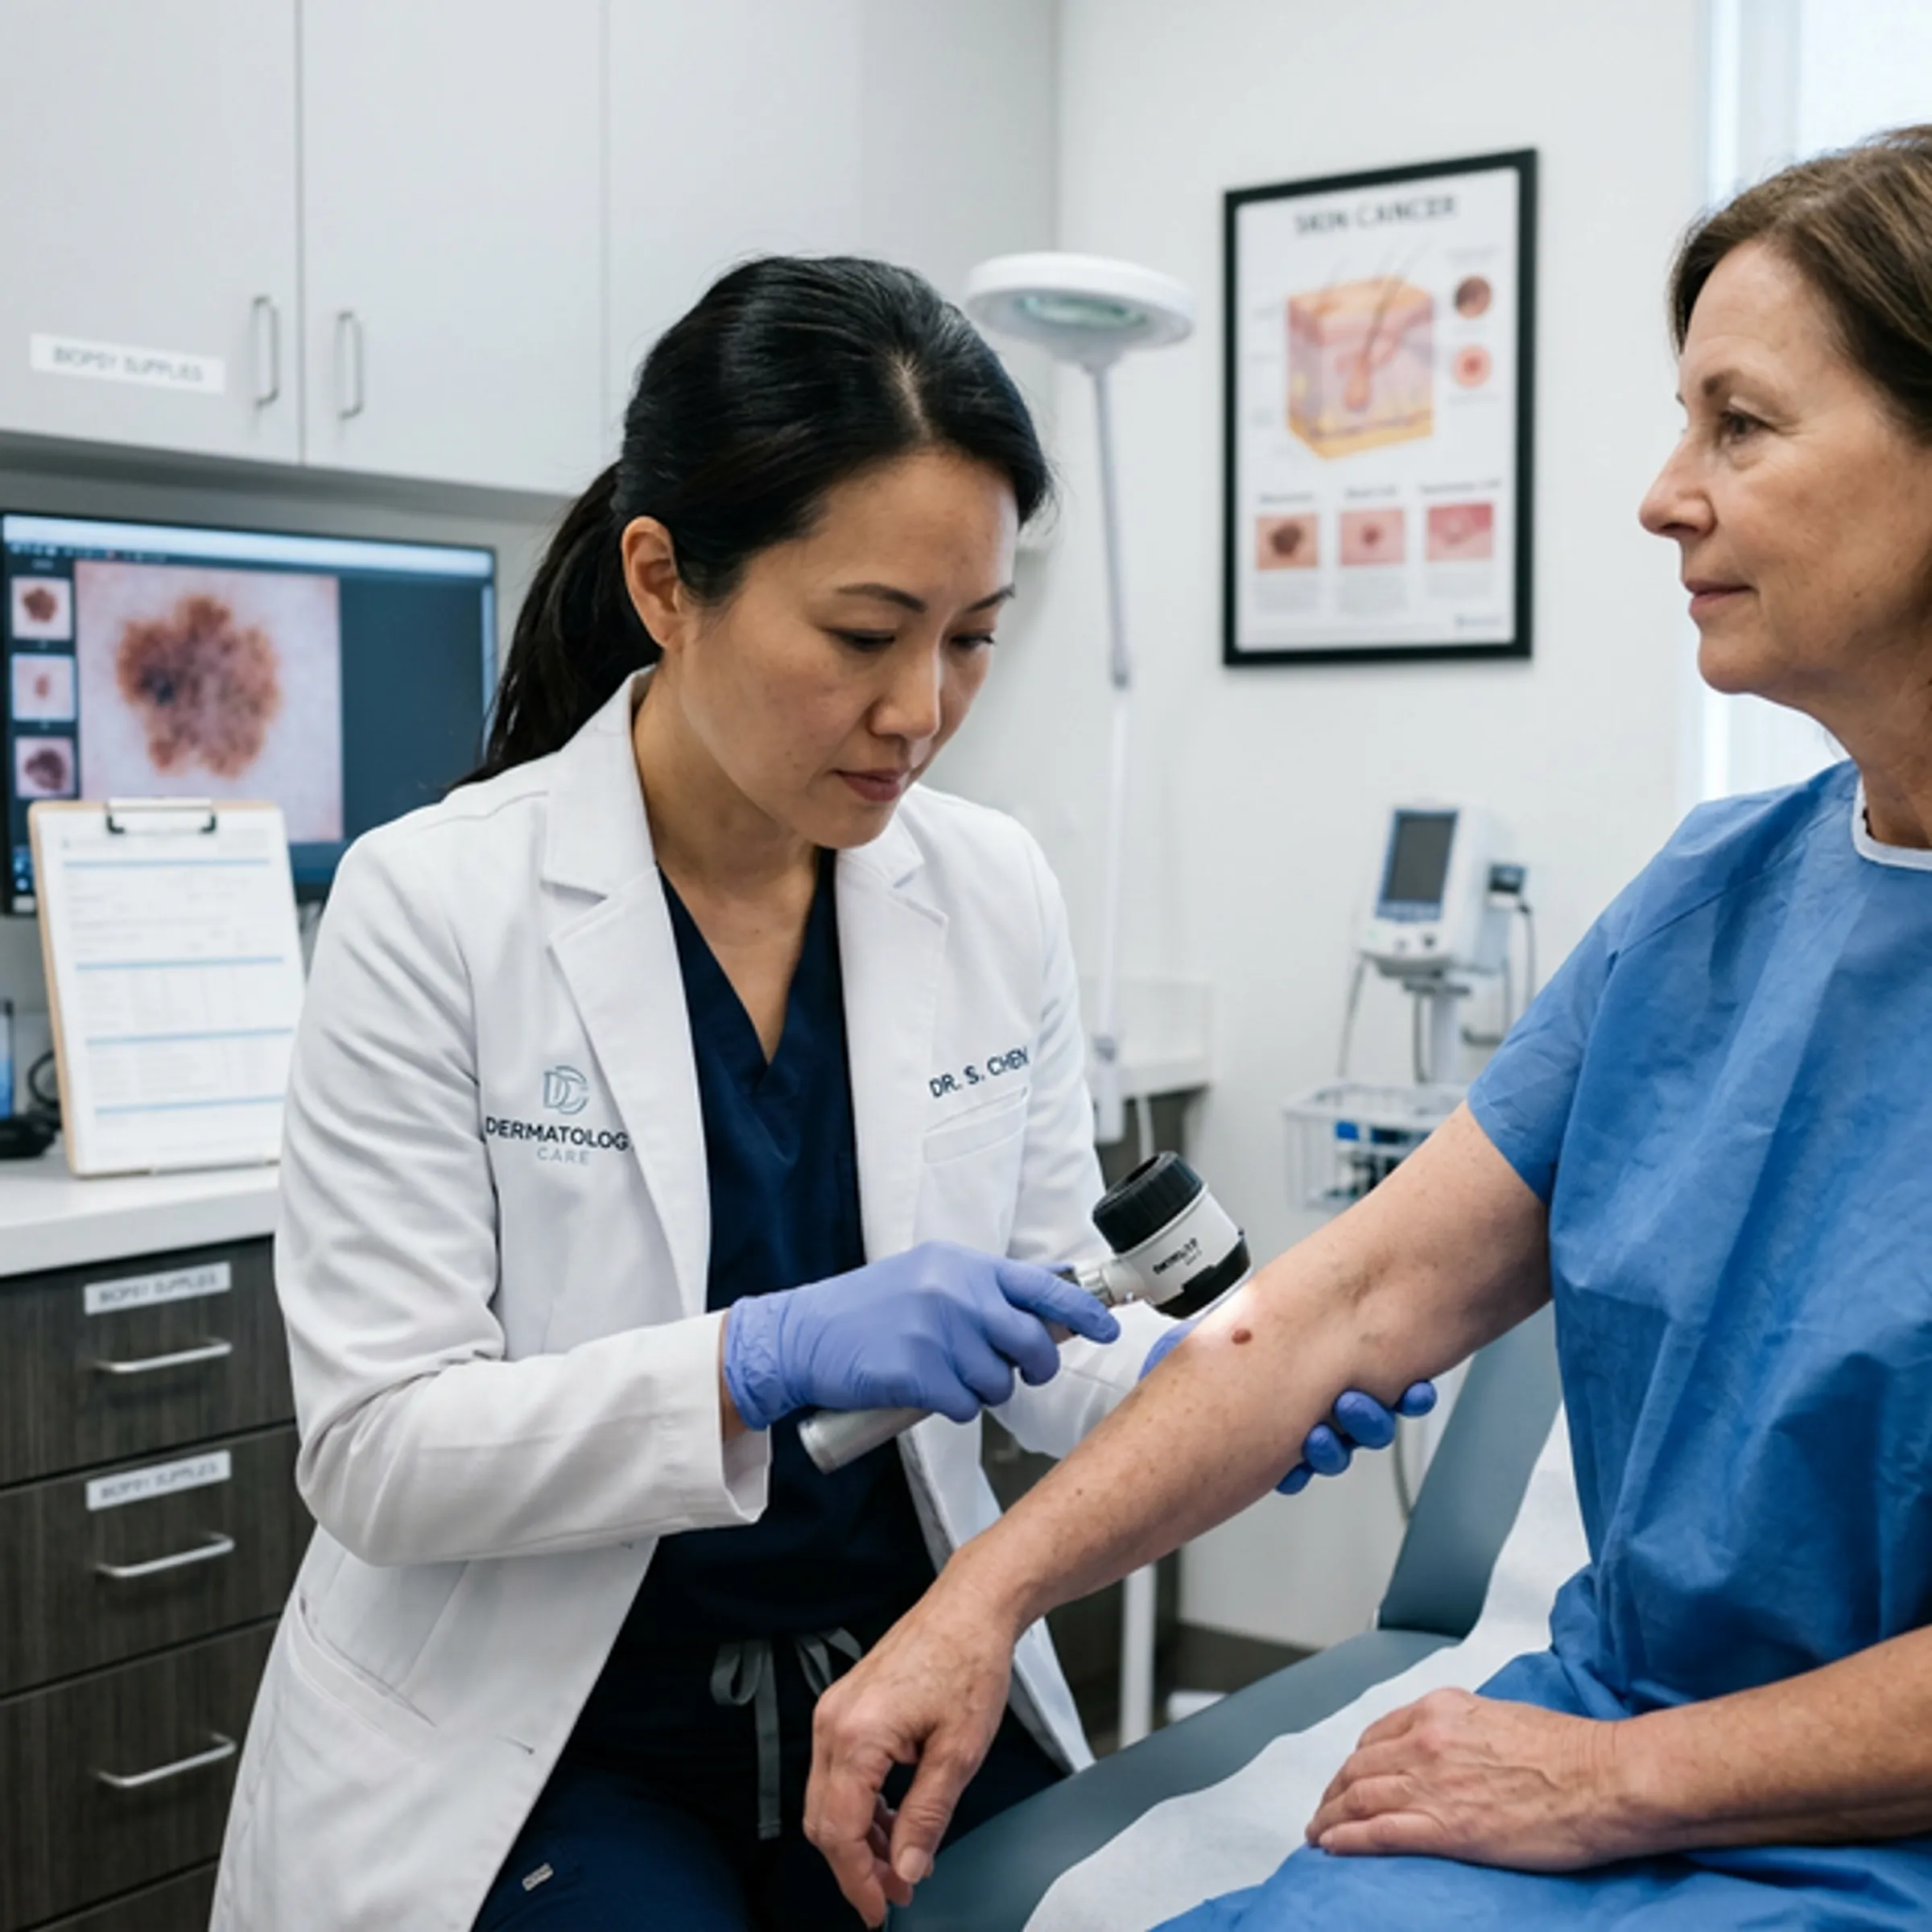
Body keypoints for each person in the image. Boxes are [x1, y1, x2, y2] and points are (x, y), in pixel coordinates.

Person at [804, 127, 1932, 1930]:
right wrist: (979, 1601)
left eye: (1742, 423)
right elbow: (1340, 1305)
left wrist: (1617, 1782)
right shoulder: (1712, 899)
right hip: (1600, 1742)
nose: (1663, 494)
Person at [211, 256, 1414, 1932]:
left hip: (909, 1670)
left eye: (973, 641)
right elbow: (377, 1452)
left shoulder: (988, 887)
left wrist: (1221, 1386)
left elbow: (1058, 1331)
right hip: (559, 1727)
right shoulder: (435, 905)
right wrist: (752, 1361)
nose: (919, 711)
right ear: (664, 580)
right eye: (864, 634)